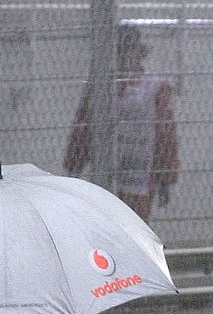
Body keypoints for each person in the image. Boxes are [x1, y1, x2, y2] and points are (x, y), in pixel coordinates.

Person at [63, 25, 179, 222]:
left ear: (139, 53)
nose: (123, 57)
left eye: (128, 50)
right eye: (119, 51)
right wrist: (74, 166)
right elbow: (83, 128)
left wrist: (165, 179)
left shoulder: (154, 88)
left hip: (139, 176)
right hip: (104, 174)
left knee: (135, 228)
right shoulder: (99, 87)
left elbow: (165, 135)